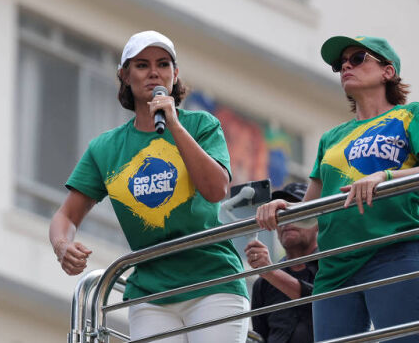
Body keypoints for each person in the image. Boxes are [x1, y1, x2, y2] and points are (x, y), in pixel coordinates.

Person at [49, 30, 249, 343]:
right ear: (124, 76)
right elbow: (66, 216)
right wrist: (63, 246)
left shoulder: (201, 125)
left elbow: (216, 190)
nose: (154, 71)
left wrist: (174, 125)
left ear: (175, 74)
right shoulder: (106, 148)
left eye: (163, 64)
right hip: (149, 292)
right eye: (141, 65)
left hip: (213, 282)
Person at [256, 36, 419, 342]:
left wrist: (384, 176)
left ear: (388, 71)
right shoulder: (331, 139)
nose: (345, 65)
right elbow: (309, 215)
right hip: (333, 268)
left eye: (357, 58)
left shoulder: (411, 116)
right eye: (340, 63)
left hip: (393, 250)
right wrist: (284, 210)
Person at [245, 182, 317, 343]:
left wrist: (270, 272)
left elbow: (325, 303)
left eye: (296, 213)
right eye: (280, 216)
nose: (287, 221)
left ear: (316, 222)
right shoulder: (262, 285)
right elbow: (260, 337)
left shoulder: (331, 264)